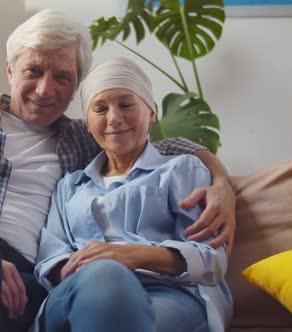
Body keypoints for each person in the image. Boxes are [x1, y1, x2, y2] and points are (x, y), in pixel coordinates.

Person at [0, 9, 235, 332]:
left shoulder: (85, 139)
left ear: (75, 88)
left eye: (62, 77)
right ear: (10, 70)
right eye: (33, 71)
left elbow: (157, 147)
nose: (46, 90)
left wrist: (221, 183)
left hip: (10, 283)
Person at [34, 57, 233, 332]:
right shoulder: (69, 186)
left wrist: (132, 255)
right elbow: (49, 261)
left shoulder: (182, 170)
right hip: (77, 291)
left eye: (126, 104)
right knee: (103, 279)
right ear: (88, 125)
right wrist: (92, 272)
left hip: (167, 293)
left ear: (152, 114)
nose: (114, 118)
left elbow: (212, 261)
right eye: (100, 109)